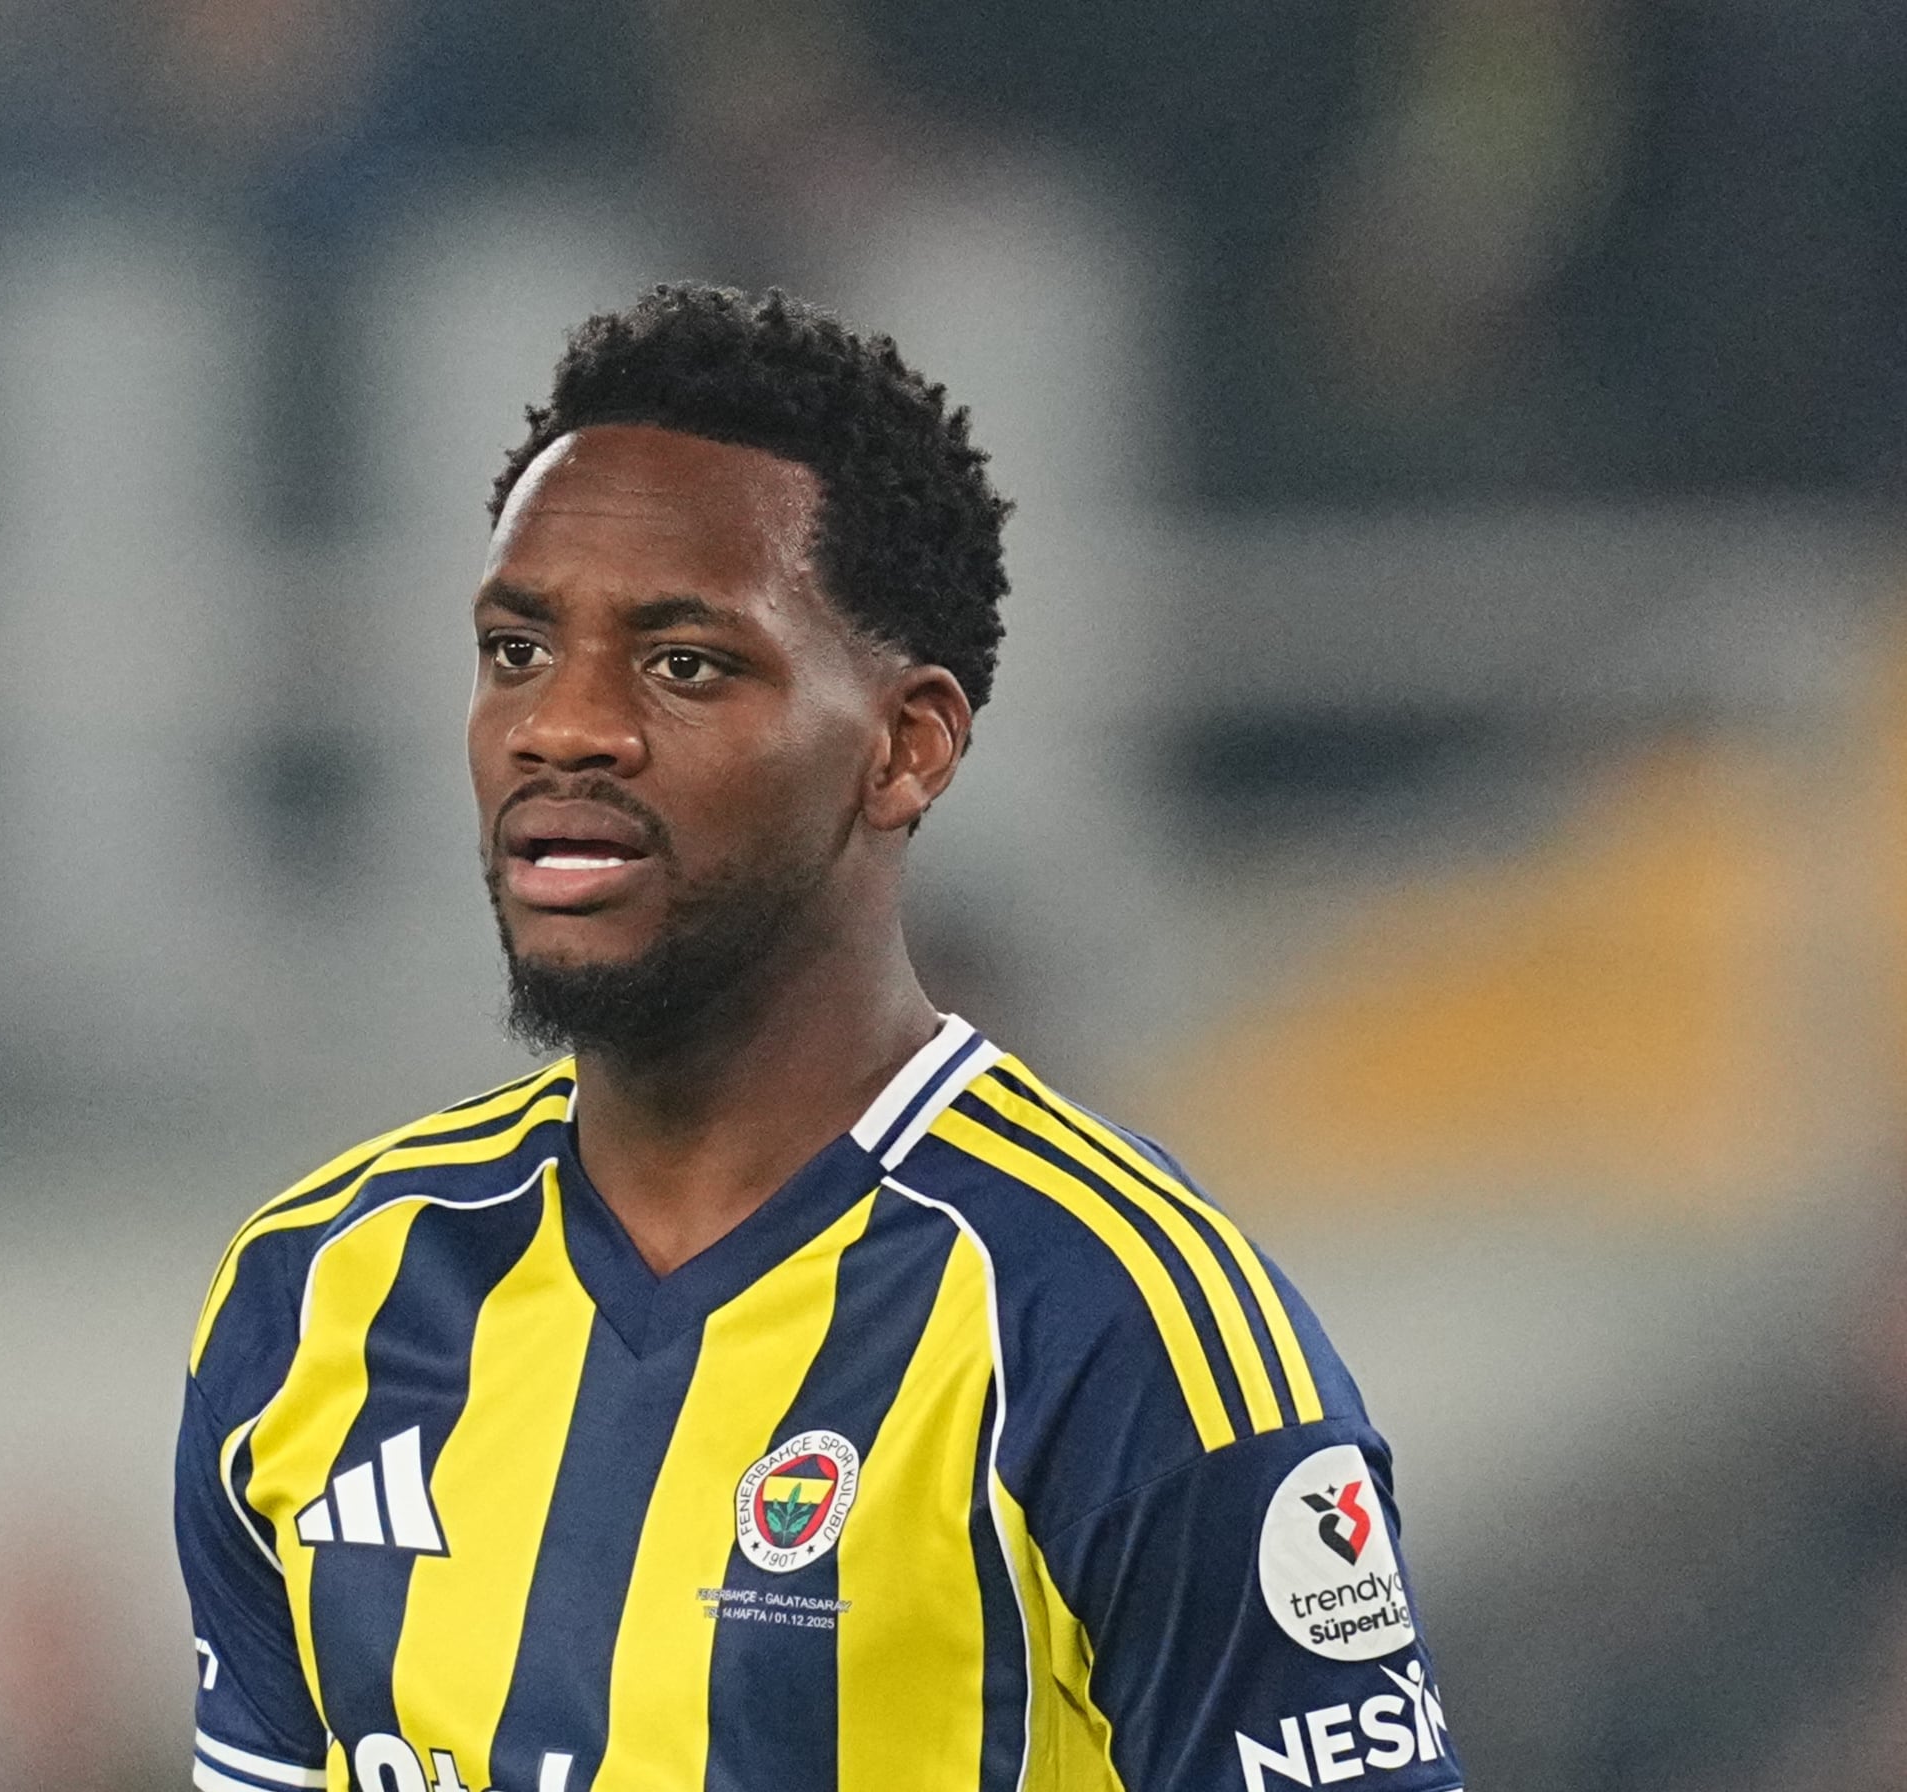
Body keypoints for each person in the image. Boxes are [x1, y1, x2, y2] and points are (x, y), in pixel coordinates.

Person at [174, 283, 1463, 1792]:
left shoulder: (1109, 1329)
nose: (562, 726)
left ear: (905, 746)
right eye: (518, 651)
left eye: (684, 664)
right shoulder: (317, 1297)